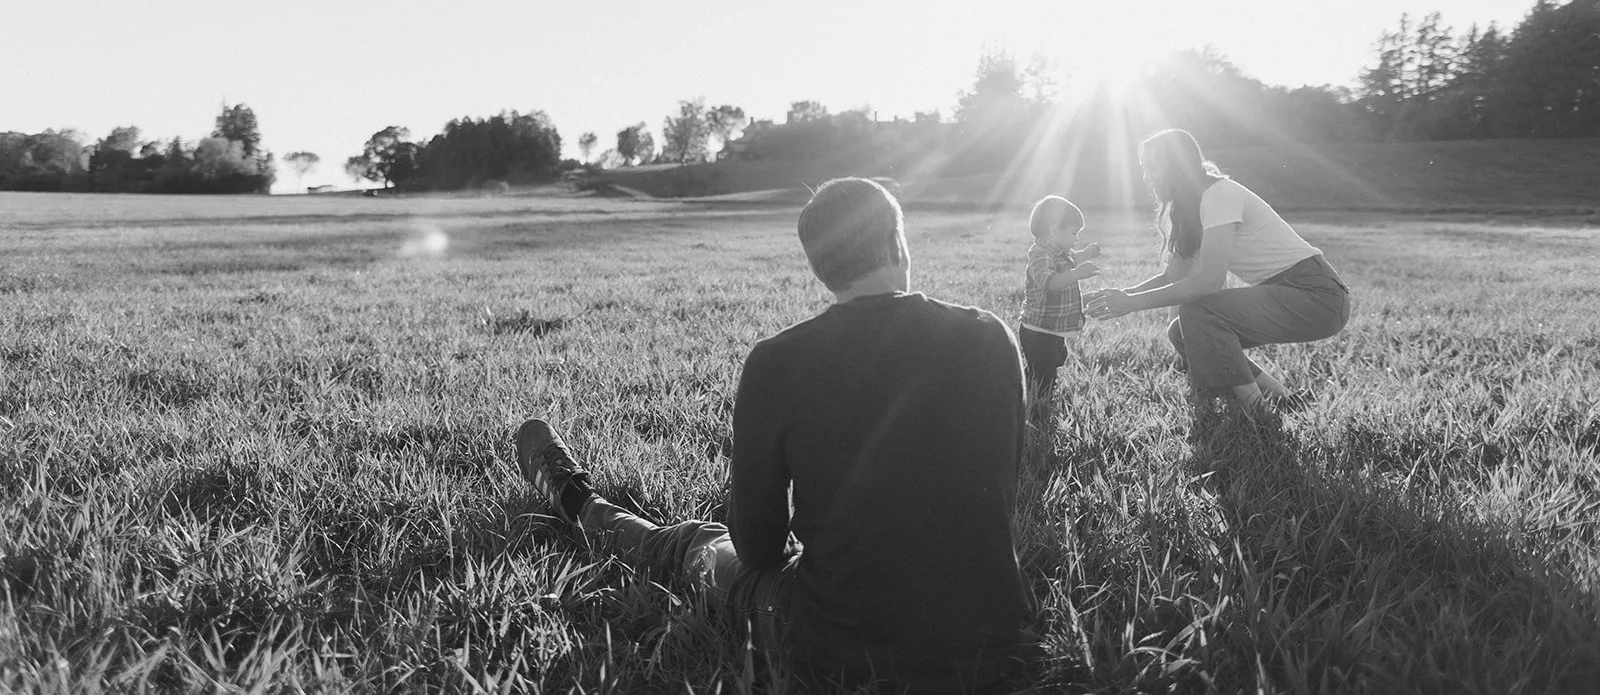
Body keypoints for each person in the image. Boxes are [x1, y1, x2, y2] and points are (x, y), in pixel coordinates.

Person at [515, 177, 1034, 692]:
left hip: (836, 643)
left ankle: (577, 500)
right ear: (899, 244)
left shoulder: (777, 361)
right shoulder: (992, 337)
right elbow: (998, 492)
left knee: (692, 544)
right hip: (994, 638)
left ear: (819, 267)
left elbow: (759, 550)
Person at [1084, 128, 1351, 418]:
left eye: (1153, 167)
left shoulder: (1219, 195)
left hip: (1318, 295)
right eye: (1144, 169)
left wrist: (1133, 304)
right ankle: (1282, 399)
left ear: (1177, 165)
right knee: (1182, 331)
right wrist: (1122, 296)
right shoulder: (1190, 208)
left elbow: (1209, 282)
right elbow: (1175, 276)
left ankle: (1257, 415)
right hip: (1286, 293)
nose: (1147, 176)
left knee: (1198, 313)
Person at [1017, 195, 1100, 402]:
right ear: (1054, 230)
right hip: (1038, 331)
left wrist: (1086, 254)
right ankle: (1038, 405)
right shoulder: (1040, 254)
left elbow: (1072, 259)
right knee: (1044, 372)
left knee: (1054, 361)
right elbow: (1050, 282)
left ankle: (1029, 389)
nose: (1076, 239)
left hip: (1051, 328)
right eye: (1074, 233)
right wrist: (1077, 274)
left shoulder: (1061, 252)